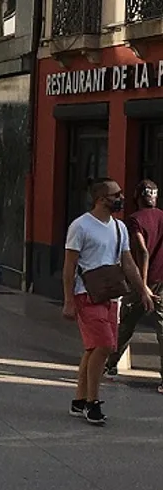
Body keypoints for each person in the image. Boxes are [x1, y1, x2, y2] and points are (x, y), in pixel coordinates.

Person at [63, 178, 156, 425]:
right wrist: (68, 300)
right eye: (116, 194)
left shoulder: (119, 228)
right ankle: (92, 403)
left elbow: (128, 262)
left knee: (94, 349)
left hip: (111, 295)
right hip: (87, 294)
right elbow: (69, 265)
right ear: (101, 199)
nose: (121, 198)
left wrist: (143, 290)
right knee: (104, 346)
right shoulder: (80, 226)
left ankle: (79, 400)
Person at [105, 179, 163, 391]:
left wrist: (144, 286)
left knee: (126, 325)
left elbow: (142, 251)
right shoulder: (162, 216)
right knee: (162, 330)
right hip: (162, 282)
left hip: (142, 282)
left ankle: (110, 364)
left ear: (137, 197)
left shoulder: (134, 220)